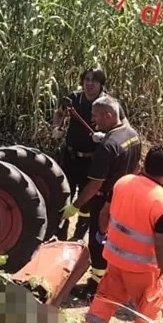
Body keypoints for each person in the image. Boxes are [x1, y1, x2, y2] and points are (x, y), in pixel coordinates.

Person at [83, 146, 163, 323]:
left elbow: (104, 213)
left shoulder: (122, 183)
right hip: (143, 269)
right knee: (151, 302)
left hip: (114, 258)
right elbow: (162, 245)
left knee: (107, 295)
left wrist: (102, 233)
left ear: (144, 164)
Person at [61, 95, 142, 300]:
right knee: (111, 238)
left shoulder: (107, 148)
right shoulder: (132, 134)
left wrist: (75, 206)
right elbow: (135, 167)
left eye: (96, 117)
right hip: (123, 196)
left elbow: (95, 183)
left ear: (109, 115)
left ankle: (95, 287)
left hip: (105, 199)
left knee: (97, 242)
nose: (93, 121)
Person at [52, 67, 114, 240]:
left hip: (92, 161)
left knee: (86, 202)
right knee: (64, 196)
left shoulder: (107, 103)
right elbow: (59, 114)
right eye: (87, 79)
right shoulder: (74, 98)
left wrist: (106, 136)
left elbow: (120, 126)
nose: (89, 84)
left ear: (101, 84)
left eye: (94, 80)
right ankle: (60, 234)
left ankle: (78, 237)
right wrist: (56, 128)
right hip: (70, 157)